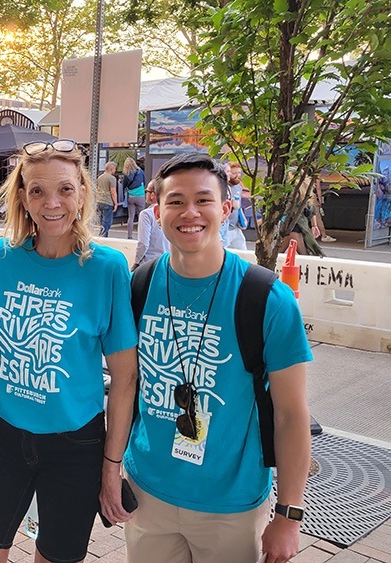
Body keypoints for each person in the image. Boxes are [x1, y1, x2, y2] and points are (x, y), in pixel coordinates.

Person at [122, 152, 312, 563]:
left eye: (203, 200)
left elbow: (291, 415)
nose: (190, 212)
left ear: (226, 208)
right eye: (175, 201)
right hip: (147, 490)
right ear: (157, 211)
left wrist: (289, 516)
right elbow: (125, 385)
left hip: (231, 505)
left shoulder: (267, 299)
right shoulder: (138, 285)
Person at [0, 139, 138, 563]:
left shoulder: (107, 267)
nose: (51, 202)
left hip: (76, 446)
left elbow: (125, 378)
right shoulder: (3, 257)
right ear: (22, 197)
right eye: (37, 190)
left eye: (64, 189)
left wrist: (111, 468)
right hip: (4, 437)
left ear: (82, 193)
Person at [133, 182, 168, 268]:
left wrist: (136, 262)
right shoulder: (170, 212)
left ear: (152, 195)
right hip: (167, 263)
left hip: (149, 264)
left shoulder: (146, 214)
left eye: (146, 191)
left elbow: (143, 243)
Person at [221, 161, 248, 250]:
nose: (238, 175)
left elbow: (238, 207)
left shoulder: (238, 188)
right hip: (226, 227)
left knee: (244, 250)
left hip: (235, 227)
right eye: (234, 173)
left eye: (239, 173)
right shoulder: (223, 187)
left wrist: (242, 220)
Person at [123, 157, 146, 239]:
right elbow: (144, 182)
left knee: (131, 216)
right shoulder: (141, 172)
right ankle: (142, 235)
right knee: (142, 216)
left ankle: (129, 236)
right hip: (140, 196)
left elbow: (124, 185)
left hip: (131, 197)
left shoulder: (126, 174)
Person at [96, 161, 118, 237]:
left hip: (99, 200)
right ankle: (103, 236)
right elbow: (113, 192)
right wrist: (115, 203)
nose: (115, 171)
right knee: (107, 221)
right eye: (114, 169)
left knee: (102, 221)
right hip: (108, 202)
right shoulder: (112, 178)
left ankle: (101, 234)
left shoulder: (99, 177)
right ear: (112, 169)